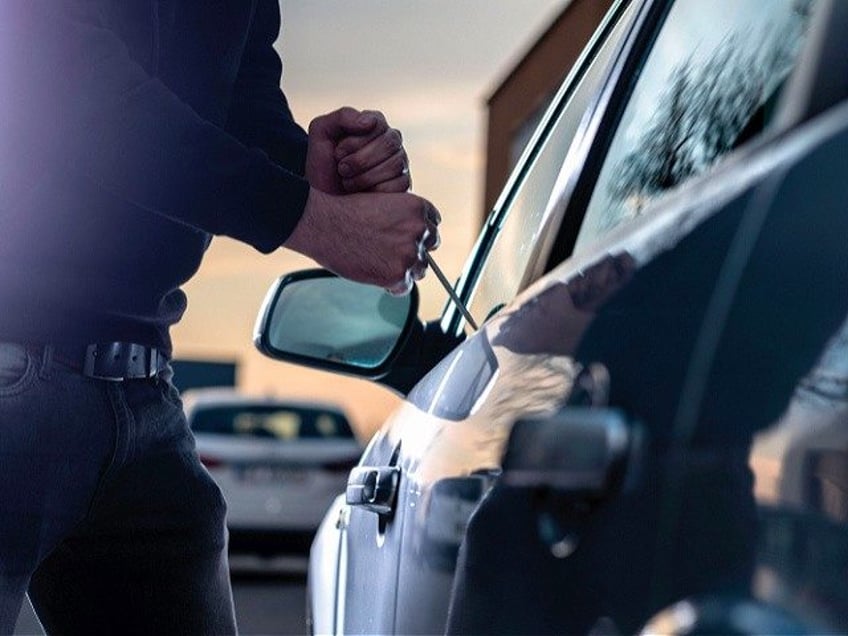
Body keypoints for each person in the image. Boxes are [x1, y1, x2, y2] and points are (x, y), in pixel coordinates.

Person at [0, 1, 440, 633]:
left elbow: (239, 103)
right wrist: (315, 223)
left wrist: (315, 176)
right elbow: (70, 85)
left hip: (142, 389)